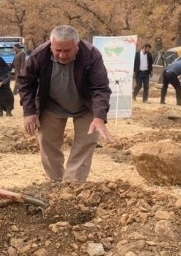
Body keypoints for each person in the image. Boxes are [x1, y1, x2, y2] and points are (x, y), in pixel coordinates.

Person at [17, 25, 115, 182]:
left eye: (67, 51)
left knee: (85, 143)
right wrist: (29, 111)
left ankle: (72, 185)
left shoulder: (91, 55)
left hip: (85, 106)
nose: (62, 55)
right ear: (51, 45)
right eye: (57, 50)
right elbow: (25, 82)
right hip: (52, 104)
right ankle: (56, 182)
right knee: (47, 142)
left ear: (77, 46)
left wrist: (99, 116)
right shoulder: (39, 55)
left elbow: (100, 88)